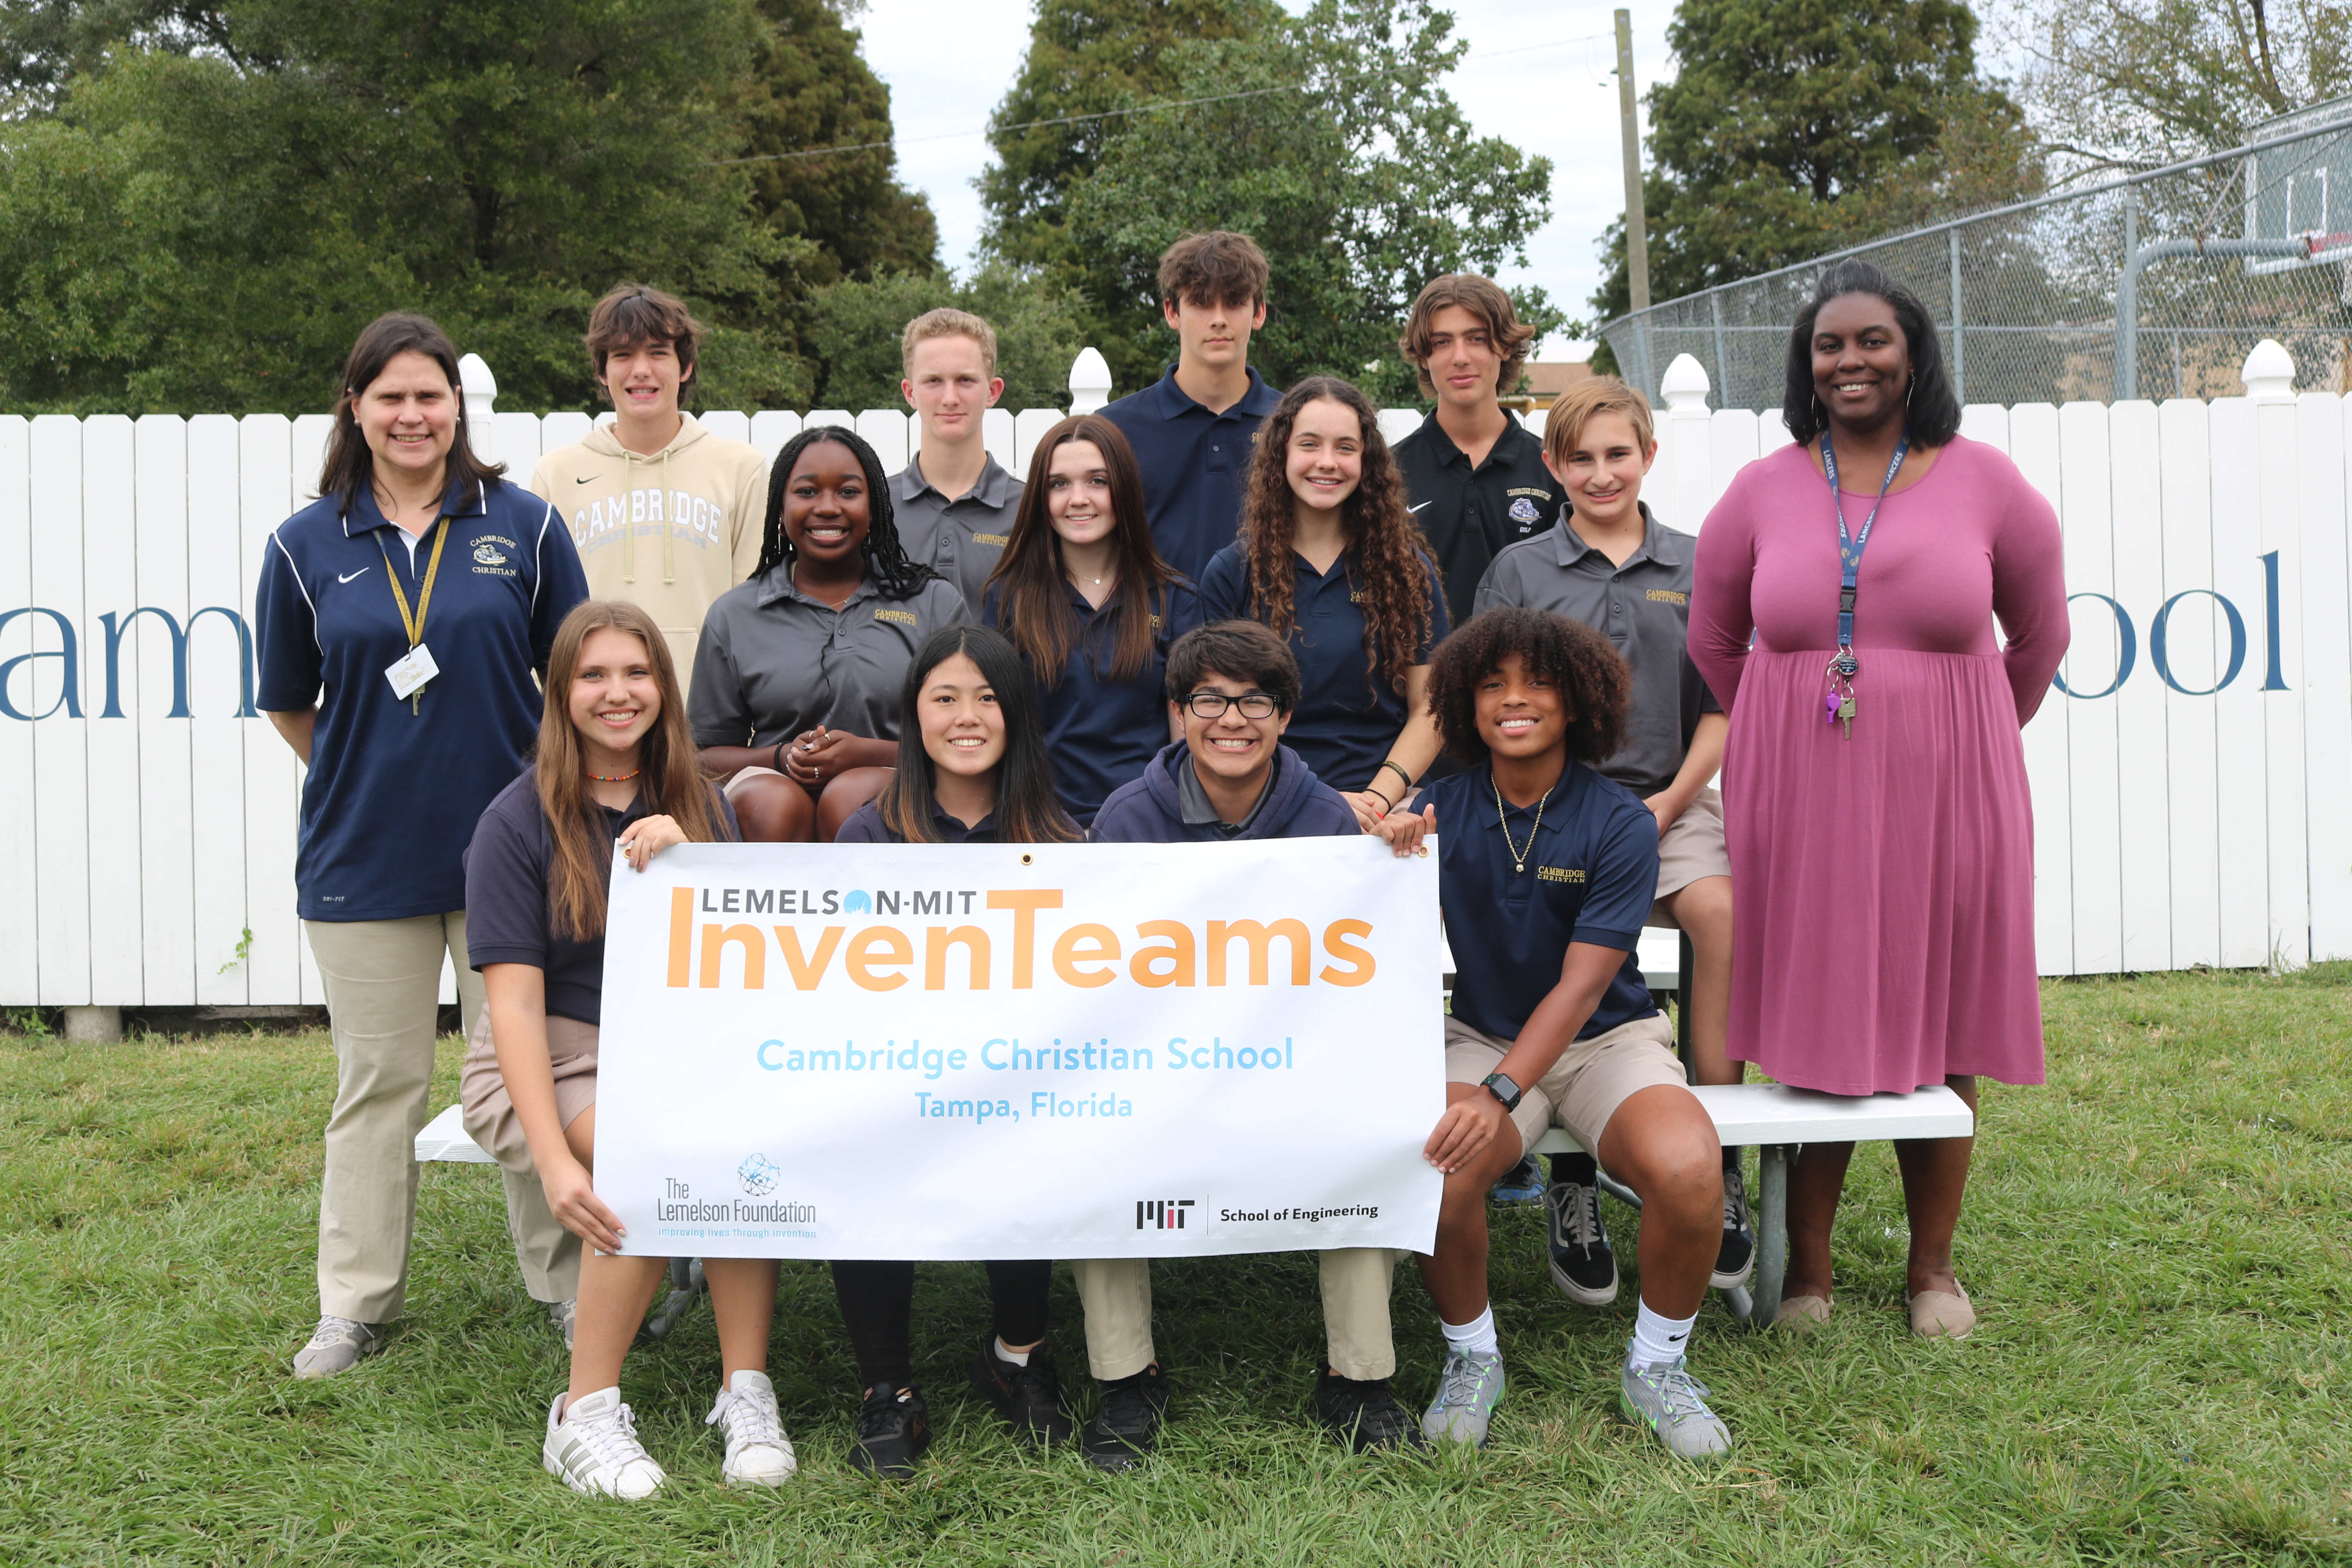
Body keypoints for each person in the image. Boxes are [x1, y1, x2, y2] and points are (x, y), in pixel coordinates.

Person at [1689, 259, 2069, 1339]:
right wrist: (1779, 729)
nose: (1849, 361)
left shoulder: (1985, 480)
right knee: (1817, 1027)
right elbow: (1718, 639)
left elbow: (2041, 638)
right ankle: (1806, 1272)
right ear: (1806, 366)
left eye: (1871, 341)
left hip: (1954, 790)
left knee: (1942, 1012)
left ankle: (1932, 1272)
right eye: (1828, 345)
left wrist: (1970, 734)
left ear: (1915, 354)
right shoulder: (1764, 488)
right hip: (1802, 798)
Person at [254, 312, 589, 1379]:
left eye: (430, 396)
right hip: (362, 862)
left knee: (528, 1071)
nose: (412, 415)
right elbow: (288, 702)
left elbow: (577, 685)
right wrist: (372, 776)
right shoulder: (304, 544)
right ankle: (354, 1306)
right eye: (390, 396)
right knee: (381, 1084)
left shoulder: (524, 527)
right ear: (355, 407)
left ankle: (571, 1288)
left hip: (513, 858)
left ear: (458, 409)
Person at [1376, 606, 1734, 1461]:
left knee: (1691, 1171)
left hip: (1608, 1037)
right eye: (1492, 683)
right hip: (1486, 1031)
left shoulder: (1618, 821)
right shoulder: (1437, 810)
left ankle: (1658, 1365)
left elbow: (1580, 990)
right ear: (1466, 702)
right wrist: (1390, 856)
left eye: (1537, 682)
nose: (1514, 698)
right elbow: (1375, 945)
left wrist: (1502, 1095)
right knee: (1445, 1171)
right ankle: (1472, 1357)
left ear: (1577, 701)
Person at [461, 600, 794, 1499]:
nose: (619, 693)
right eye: (595, 674)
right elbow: (517, 1012)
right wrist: (552, 1159)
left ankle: (745, 1390)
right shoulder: (515, 819)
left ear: (664, 688)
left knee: (735, 1154)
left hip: (672, 1049)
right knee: (649, 1163)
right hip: (550, 1055)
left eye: (637, 673)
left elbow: (738, 964)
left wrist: (699, 864)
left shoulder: (701, 806)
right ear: (562, 691)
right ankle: (585, 1411)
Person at [1081, 621, 1421, 1462]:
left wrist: (1395, 855)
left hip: (1293, 1072)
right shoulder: (1127, 820)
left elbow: (1367, 972)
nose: (1231, 719)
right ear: (1179, 711)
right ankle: (1127, 1380)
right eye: (1209, 699)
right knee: (1085, 1143)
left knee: (1370, 1139)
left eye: (1255, 700)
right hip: (1160, 1072)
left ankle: (1360, 1377)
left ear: (1285, 715)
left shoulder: (1334, 822)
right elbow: (1100, 984)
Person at [1472, 376, 1749, 1309]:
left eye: (1616, 455)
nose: (1600, 472)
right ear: (1551, 466)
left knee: (1719, 914)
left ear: (1648, 457)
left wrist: (1669, 802)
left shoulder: (1700, 561)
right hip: (1548, 807)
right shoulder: (1521, 570)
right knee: (1565, 943)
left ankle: (1724, 1154)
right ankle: (1575, 1186)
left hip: (1663, 802)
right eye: (1579, 458)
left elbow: (1721, 708)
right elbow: (1489, 698)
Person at [826, 625, 1083, 1477]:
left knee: (1030, 1132)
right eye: (945, 696)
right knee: (863, 1146)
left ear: (1016, 714)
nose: (967, 715)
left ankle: (1018, 1353)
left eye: (987, 697)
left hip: (1018, 1082)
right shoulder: (868, 838)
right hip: (895, 1081)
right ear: (914, 716)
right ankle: (887, 1389)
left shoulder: (1062, 840)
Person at [690, 425, 971, 843]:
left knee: (849, 796)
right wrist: (781, 757)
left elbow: (967, 734)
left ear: (874, 507)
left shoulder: (933, 603)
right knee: (771, 800)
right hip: (772, 814)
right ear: (779, 511)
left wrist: (866, 755)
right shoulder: (734, 615)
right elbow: (700, 757)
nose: (827, 507)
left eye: (848, 492)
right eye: (806, 492)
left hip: (905, 801)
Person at [1203, 377, 1448, 831]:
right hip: (1266, 803)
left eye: (1346, 448)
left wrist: (1378, 799)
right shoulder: (1232, 573)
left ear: (1367, 461)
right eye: (1310, 445)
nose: (1327, 463)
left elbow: (1431, 709)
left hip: (1388, 809)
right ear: (1282, 454)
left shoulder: (1406, 572)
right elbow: (1218, 719)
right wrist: (1318, 801)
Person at [527, 283, 768, 693]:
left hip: (707, 721)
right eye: (623, 355)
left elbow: (757, 613)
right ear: (602, 371)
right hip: (595, 716)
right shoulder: (557, 475)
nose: (641, 370)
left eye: (658, 352)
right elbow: (541, 625)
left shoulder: (741, 469)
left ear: (685, 366)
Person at [984, 415, 1201, 825]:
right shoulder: (1009, 599)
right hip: (1038, 825)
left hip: (1147, 823)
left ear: (1124, 489)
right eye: (1059, 484)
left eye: (1097, 481)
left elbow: (1187, 740)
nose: (1078, 498)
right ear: (1040, 498)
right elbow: (998, 727)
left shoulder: (1175, 598)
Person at [1098, 230, 1283, 583]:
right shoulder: (1114, 430)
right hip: (1149, 637)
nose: (1218, 319)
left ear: (1258, 313)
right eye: (1200, 303)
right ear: (1172, 312)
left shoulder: (1294, 426)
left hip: (1266, 637)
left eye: (1234, 302)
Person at [1391, 274, 1567, 633]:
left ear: (1504, 347)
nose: (1460, 357)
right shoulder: (1388, 474)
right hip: (1417, 683)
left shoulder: (1552, 469)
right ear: (1424, 357)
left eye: (1477, 339)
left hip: (1526, 683)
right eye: (1442, 342)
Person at [890, 308, 1023, 612]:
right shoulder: (875, 509)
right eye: (934, 381)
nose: (950, 398)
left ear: (993, 391)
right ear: (910, 393)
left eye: (965, 380)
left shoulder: (1030, 509)